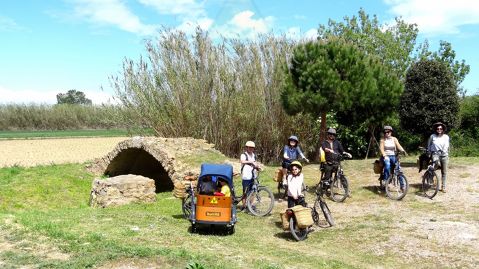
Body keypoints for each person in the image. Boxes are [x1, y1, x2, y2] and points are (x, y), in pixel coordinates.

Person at [379, 125, 407, 190]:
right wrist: (385, 156)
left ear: (391, 132)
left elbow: (398, 146)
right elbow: (381, 149)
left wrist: (403, 151)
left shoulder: (394, 139)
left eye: (388, 132)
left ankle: (402, 186)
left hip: (393, 156)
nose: (386, 133)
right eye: (385, 132)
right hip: (385, 156)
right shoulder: (382, 140)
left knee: (399, 169)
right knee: (387, 164)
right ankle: (386, 180)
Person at [427, 122, 450, 193]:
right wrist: (429, 152)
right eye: (438, 128)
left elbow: (446, 145)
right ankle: (430, 174)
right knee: (435, 165)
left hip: (444, 155)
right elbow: (429, 145)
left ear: (443, 129)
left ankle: (443, 187)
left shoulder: (446, 137)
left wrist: (443, 151)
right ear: (436, 129)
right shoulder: (432, 136)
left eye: (441, 128)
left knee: (444, 172)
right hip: (435, 154)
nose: (439, 129)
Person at [240, 141, 260, 208]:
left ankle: (250, 205)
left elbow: (255, 163)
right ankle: (244, 206)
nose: (251, 149)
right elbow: (242, 161)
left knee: (253, 191)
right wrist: (251, 162)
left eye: (252, 148)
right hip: (246, 176)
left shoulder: (253, 155)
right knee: (245, 192)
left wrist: (257, 167)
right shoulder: (244, 155)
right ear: (246, 148)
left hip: (253, 176)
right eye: (249, 147)